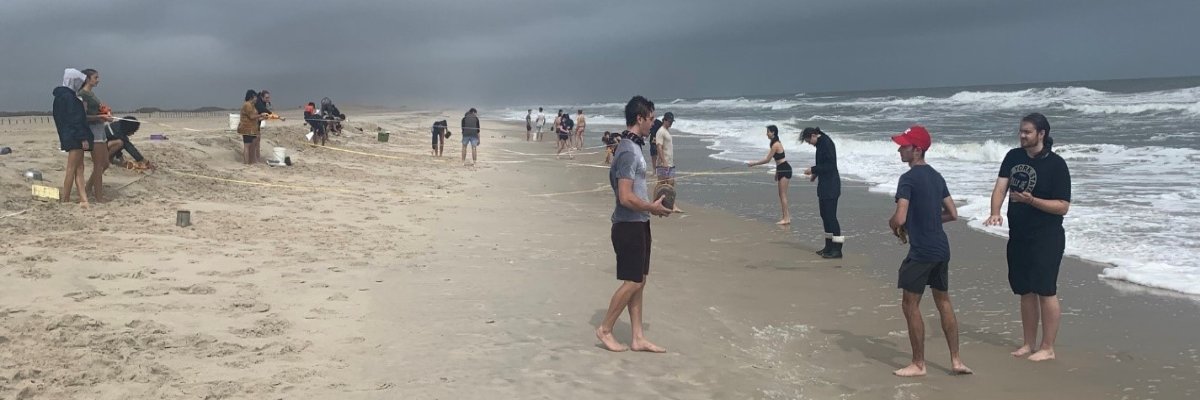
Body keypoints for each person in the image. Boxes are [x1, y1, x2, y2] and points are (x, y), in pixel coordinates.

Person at [984, 113, 1071, 362]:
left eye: (1027, 132)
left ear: (1041, 134)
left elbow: (1063, 206)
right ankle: (1028, 343)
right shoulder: (1013, 156)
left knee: (1046, 290)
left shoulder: (1056, 165)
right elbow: (1001, 186)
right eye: (1021, 131)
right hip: (1019, 234)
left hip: (1047, 236)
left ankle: (1047, 347)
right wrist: (995, 212)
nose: (1022, 135)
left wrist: (1031, 200)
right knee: (1025, 291)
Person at [887, 125, 973, 377]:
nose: (899, 149)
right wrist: (927, 220)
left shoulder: (908, 178)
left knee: (909, 304)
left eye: (904, 146)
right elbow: (953, 214)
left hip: (922, 250)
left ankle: (918, 364)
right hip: (941, 248)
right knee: (943, 301)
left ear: (917, 149)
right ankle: (956, 360)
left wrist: (893, 224)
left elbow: (900, 218)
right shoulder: (936, 176)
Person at [595, 95, 672, 353]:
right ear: (639, 118)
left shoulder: (635, 147)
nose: (653, 123)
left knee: (640, 280)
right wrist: (652, 207)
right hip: (628, 225)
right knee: (632, 281)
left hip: (640, 222)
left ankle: (637, 337)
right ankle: (605, 329)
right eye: (650, 118)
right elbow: (625, 196)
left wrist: (651, 209)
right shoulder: (628, 150)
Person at [52, 68, 92, 207]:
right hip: (75, 137)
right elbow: (76, 120)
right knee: (73, 168)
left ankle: (83, 198)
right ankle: (66, 198)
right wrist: (83, 138)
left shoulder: (60, 97)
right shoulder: (71, 98)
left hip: (68, 135)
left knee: (79, 167)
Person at [802, 127, 845, 258]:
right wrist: (815, 174)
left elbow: (830, 165)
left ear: (814, 135)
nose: (810, 144)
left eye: (809, 141)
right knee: (824, 215)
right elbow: (822, 163)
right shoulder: (820, 144)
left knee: (831, 217)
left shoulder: (826, 143)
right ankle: (828, 246)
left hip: (831, 185)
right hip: (824, 185)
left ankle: (837, 249)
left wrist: (813, 169)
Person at [79, 69, 114, 202]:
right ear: (88, 79)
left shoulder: (91, 94)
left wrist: (106, 114)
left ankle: (88, 187)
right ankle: (99, 197)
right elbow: (84, 116)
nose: (98, 80)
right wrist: (100, 116)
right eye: (95, 77)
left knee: (105, 163)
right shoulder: (83, 94)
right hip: (93, 131)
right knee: (98, 165)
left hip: (101, 129)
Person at [745, 125, 791, 225]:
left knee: (782, 195)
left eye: (768, 132)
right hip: (781, 169)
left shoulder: (776, 145)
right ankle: (786, 217)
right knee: (781, 195)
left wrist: (754, 163)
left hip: (785, 169)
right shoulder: (774, 143)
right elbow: (778, 160)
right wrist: (776, 172)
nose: (766, 134)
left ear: (773, 132)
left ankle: (786, 218)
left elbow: (767, 160)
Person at [237, 90, 270, 165]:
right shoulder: (247, 105)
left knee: (253, 145)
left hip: (252, 129)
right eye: (255, 97)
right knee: (247, 146)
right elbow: (252, 116)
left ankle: (252, 161)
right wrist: (261, 115)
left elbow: (254, 118)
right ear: (251, 97)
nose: (256, 99)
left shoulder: (252, 105)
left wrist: (263, 118)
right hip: (246, 129)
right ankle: (246, 163)